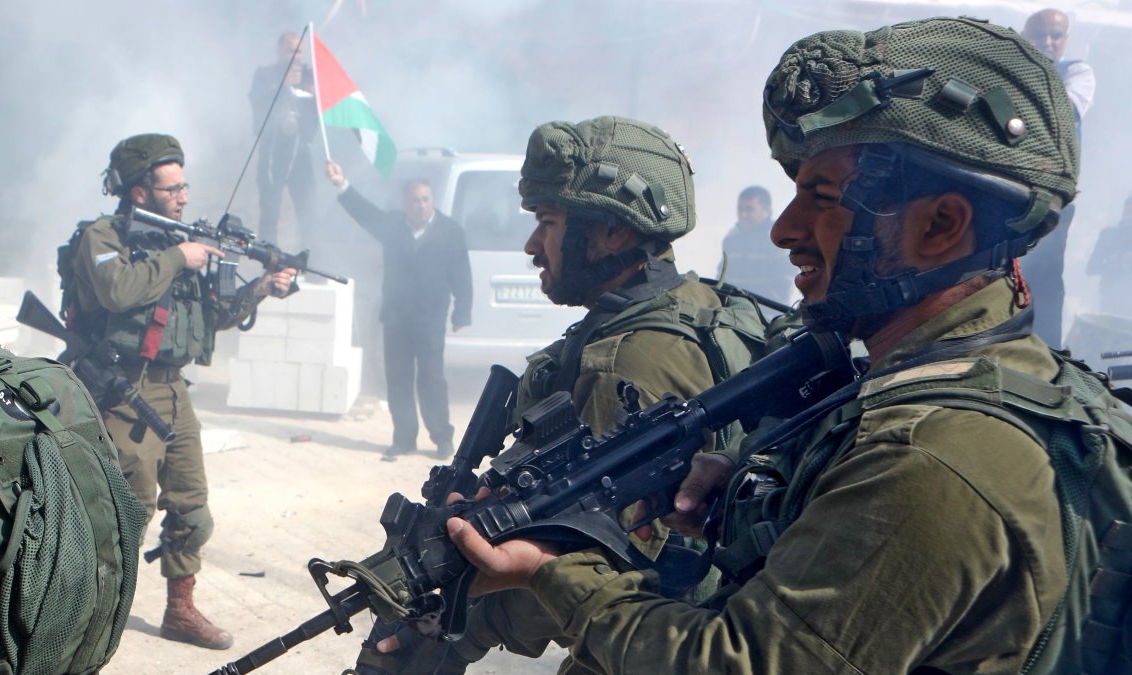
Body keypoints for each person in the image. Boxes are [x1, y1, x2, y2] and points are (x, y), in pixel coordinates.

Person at [443, 18, 1129, 674]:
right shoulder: (983, 376)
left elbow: (743, 663)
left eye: (822, 197)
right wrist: (745, 496)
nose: (783, 229)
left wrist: (551, 571)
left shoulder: (934, 453)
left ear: (941, 225)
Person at [356, 116, 769, 674]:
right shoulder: (700, 304)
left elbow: (599, 564)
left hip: (663, 643)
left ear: (613, 232)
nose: (531, 245)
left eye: (547, 222)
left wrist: (455, 626)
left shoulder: (624, 364)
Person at [70, 133, 296, 650]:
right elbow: (117, 291)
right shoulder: (104, 237)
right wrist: (178, 258)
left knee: (192, 505)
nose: (184, 197)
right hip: (122, 390)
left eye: (184, 186)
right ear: (138, 191)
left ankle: (180, 609)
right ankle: (92, 614)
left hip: (173, 389)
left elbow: (205, 320)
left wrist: (261, 288)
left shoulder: (177, 240)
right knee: (126, 509)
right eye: (171, 188)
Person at [325, 161, 472, 460]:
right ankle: (404, 439)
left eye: (425, 199)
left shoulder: (450, 231)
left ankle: (442, 438)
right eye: (414, 200)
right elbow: (364, 213)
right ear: (405, 203)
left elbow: (462, 274)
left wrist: (462, 313)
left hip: (430, 318)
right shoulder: (392, 225)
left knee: (431, 378)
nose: (420, 205)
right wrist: (342, 183)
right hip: (395, 317)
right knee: (398, 379)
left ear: (432, 201)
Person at [1019, 8, 1096, 348]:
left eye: (1055, 36)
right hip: (1010, 195)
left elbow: (1064, 110)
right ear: (1025, 37)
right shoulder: (1009, 71)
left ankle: (1047, 353)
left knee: (1047, 278)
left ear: (1066, 41)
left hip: (1053, 200)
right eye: (1039, 35)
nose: (1047, 43)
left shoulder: (1078, 72)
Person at [248, 31, 318, 247]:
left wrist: (315, 93)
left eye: (299, 51)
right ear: (279, 51)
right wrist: (282, 85)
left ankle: (310, 261)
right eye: (291, 50)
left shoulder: (309, 75)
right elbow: (256, 101)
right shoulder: (265, 74)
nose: (296, 56)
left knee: (309, 210)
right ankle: (270, 260)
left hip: (301, 151)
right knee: (270, 209)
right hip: (273, 151)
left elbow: (321, 110)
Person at [716, 185, 792, 305]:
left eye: (750, 209)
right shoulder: (730, 240)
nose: (743, 215)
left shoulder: (778, 240)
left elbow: (785, 283)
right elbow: (721, 276)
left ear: (767, 212)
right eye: (740, 209)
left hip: (767, 315)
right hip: (731, 311)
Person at [1087, 192, 1132, 316]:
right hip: (1108, 302)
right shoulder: (1109, 235)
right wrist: (1116, 260)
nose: (1128, 216)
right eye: (1127, 211)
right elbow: (1091, 268)